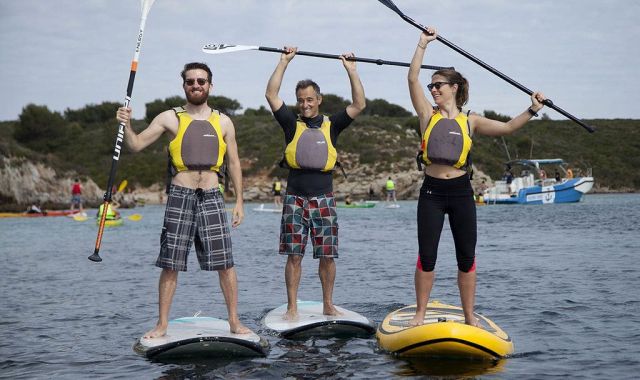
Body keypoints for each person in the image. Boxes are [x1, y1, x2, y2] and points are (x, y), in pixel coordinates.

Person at [408, 27, 547, 327]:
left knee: (466, 257)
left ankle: (470, 318)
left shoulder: (471, 120)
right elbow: (411, 78)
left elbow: (509, 128)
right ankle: (419, 315)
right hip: (431, 192)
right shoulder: (426, 115)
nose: (433, 89)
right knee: (427, 256)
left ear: (454, 87)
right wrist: (422, 45)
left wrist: (532, 109)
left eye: (438, 85)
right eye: (431, 86)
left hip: (460, 192)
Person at [115, 62, 251, 338]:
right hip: (180, 196)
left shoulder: (224, 121)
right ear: (184, 86)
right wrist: (126, 125)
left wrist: (239, 202)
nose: (196, 85)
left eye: (201, 81)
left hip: (213, 196)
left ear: (210, 85)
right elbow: (136, 144)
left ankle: (234, 322)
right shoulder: (170, 117)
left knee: (225, 263)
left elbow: (234, 163)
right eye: (191, 81)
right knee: (170, 262)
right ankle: (162, 324)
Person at [265, 46, 366, 319]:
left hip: (324, 199)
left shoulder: (332, 125)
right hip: (294, 198)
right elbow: (271, 94)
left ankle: (328, 305)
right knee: (294, 256)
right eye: (301, 100)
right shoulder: (290, 123)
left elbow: (359, 105)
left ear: (319, 99)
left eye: (310, 99)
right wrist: (284, 62)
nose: (305, 104)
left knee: (327, 256)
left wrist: (352, 71)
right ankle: (292, 307)